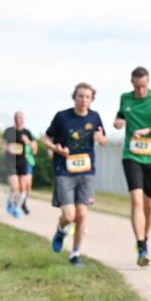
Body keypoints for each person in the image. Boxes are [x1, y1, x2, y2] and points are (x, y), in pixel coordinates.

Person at [113, 66, 151, 266]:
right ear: (132, 83)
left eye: (144, 86)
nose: (140, 91)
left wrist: (148, 130)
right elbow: (121, 116)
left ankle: (145, 238)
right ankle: (141, 246)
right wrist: (118, 123)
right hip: (131, 155)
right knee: (137, 201)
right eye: (137, 87)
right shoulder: (125, 98)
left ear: (148, 83)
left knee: (149, 205)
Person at [43, 82, 107, 267]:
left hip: (87, 171)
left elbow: (104, 140)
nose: (84, 100)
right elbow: (45, 138)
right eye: (80, 96)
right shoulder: (62, 117)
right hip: (64, 170)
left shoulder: (95, 117)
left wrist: (99, 138)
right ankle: (61, 229)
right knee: (69, 215)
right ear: (74, 97)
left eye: (88, 97)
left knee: (82, 213)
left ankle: (75, 254)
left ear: (92, 99)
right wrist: (56, 147)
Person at [2, 112, 36, 219]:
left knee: (23, 189)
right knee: (15, 187)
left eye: (21, 118)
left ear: (23, 119)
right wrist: (6, 148)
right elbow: (2, 144)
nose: (19, 120)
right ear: (14, 119)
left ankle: (16, 206)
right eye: (17, 118)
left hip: (23, 162)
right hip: (11, 162)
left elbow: (35, 150)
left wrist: (28, 142)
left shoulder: (27, 132)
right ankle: (13, 205)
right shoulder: (9, 131)